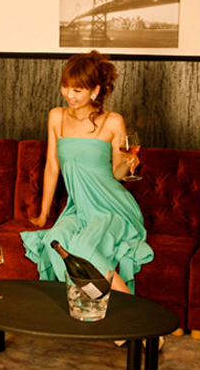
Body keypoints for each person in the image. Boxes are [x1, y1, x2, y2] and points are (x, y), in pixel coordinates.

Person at [20, 51, 154, 296]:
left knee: (82, 246)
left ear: (95, 90)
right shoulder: (56, 117)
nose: (69, 95)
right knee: (55, 241)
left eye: (77, 90)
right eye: (65, 87)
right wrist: (43, 215)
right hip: (79, 208)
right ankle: (90, 304)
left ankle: (132, 310)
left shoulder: (113, 121)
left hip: (112, 207)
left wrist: (129, 162)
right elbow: (52, 167)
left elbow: (117, 175)